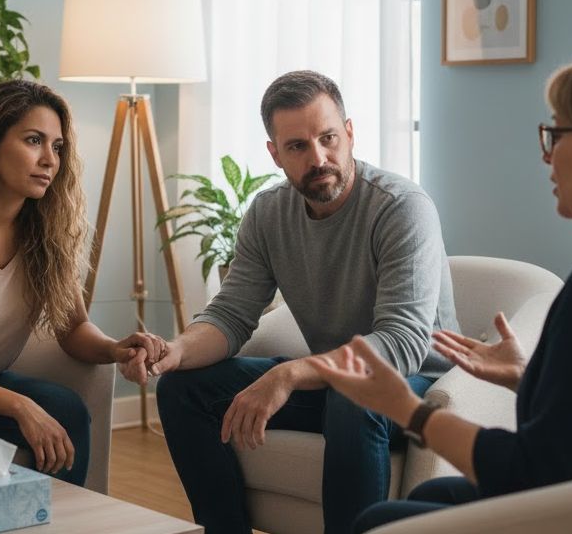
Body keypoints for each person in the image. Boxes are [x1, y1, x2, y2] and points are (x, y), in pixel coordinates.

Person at [308, 46, 572, 533]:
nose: (546, 154)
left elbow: (533, 469)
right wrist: (526, 374)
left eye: (556, 132)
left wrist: (407, 409)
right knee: (433, 493)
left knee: (384, 521)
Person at [150, 70, 459, 534]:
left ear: (349, 133)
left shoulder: (401, 207)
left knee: (354, 395)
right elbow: (232, 315)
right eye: (297, 146)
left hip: (419, 385)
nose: (319, 158)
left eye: (329, 138)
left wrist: (290, 373)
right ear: (275, 153)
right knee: (182, 387)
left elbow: (403, 344)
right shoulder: (269, 213)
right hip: (333, 384)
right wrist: (176, 350)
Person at [0, 80, 165, 486]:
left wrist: (115, 348)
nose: (49, 160)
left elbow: (73, 329)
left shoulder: (46, 234)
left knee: (66, 408)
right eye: (33, 141)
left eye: (57, 147)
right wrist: (20, 406)